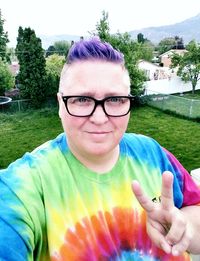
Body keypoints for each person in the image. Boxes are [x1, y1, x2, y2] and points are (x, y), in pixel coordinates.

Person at [0, 37, 200, 261]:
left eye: (114, 99)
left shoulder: (153, 154)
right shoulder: (25, 185)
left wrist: (183, 229)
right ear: (60, 104)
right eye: (82, 99)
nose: (99, 117)